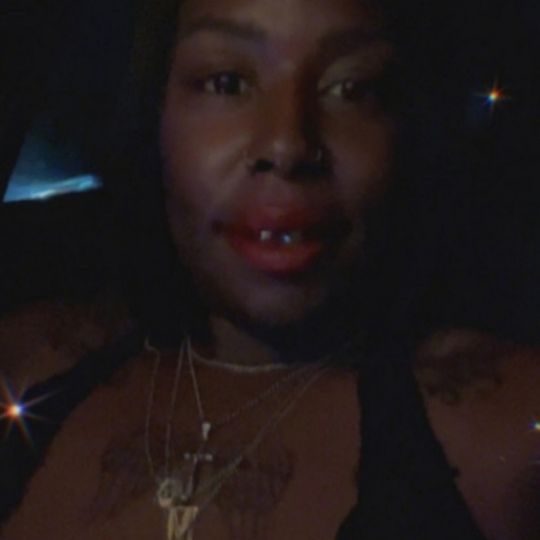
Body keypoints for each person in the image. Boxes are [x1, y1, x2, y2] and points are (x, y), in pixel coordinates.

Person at [1, 0, 539, 539]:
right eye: (227, 83)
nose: (287, 144)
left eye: (352, 89)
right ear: (152, 111)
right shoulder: (29, 374)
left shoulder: (506, 433)